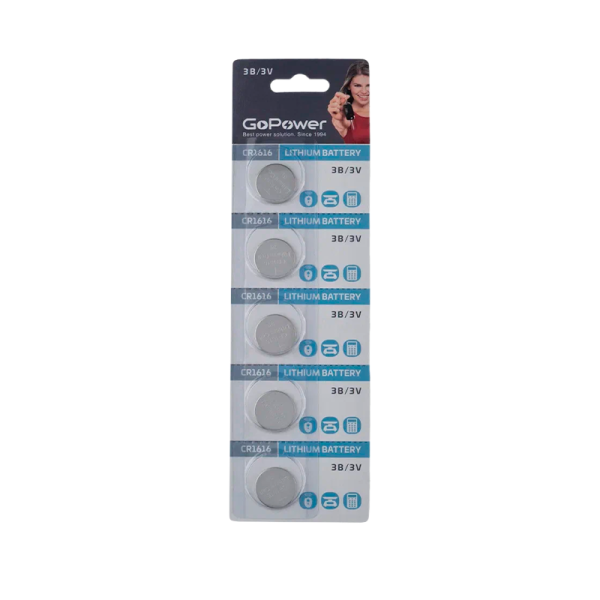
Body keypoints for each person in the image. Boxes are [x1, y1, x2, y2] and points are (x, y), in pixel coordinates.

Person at [327, 60, 370, 144]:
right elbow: (341, 124)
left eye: (369, 85)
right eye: (357, 85)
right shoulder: (344, 116)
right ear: (349, 86)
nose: (364, 91)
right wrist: (341, 120)